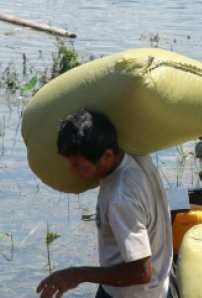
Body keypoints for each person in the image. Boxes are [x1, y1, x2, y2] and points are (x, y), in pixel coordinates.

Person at [36, 109, 175, 298]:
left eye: (80, 166)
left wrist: (78, 274)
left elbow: (141, 271)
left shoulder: (121, 199)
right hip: (155, 288)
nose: (73, 172)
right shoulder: (137, 156)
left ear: (107, 156)